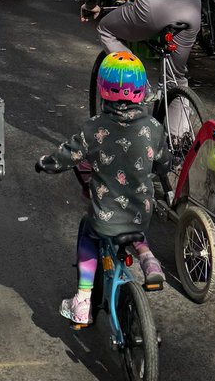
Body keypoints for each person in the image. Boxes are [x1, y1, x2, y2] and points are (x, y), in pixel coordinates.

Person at [36, 51, 172, 323]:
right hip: (140, 213)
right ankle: (148, 259)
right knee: (133, 227)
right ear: (142, 90)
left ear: (102, 90)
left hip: (104, 217)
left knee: (89, 233)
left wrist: (46, 163)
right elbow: (163, 162)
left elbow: (67, 156)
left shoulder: (94, 128)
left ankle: (83, 301)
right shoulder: (154, 128)